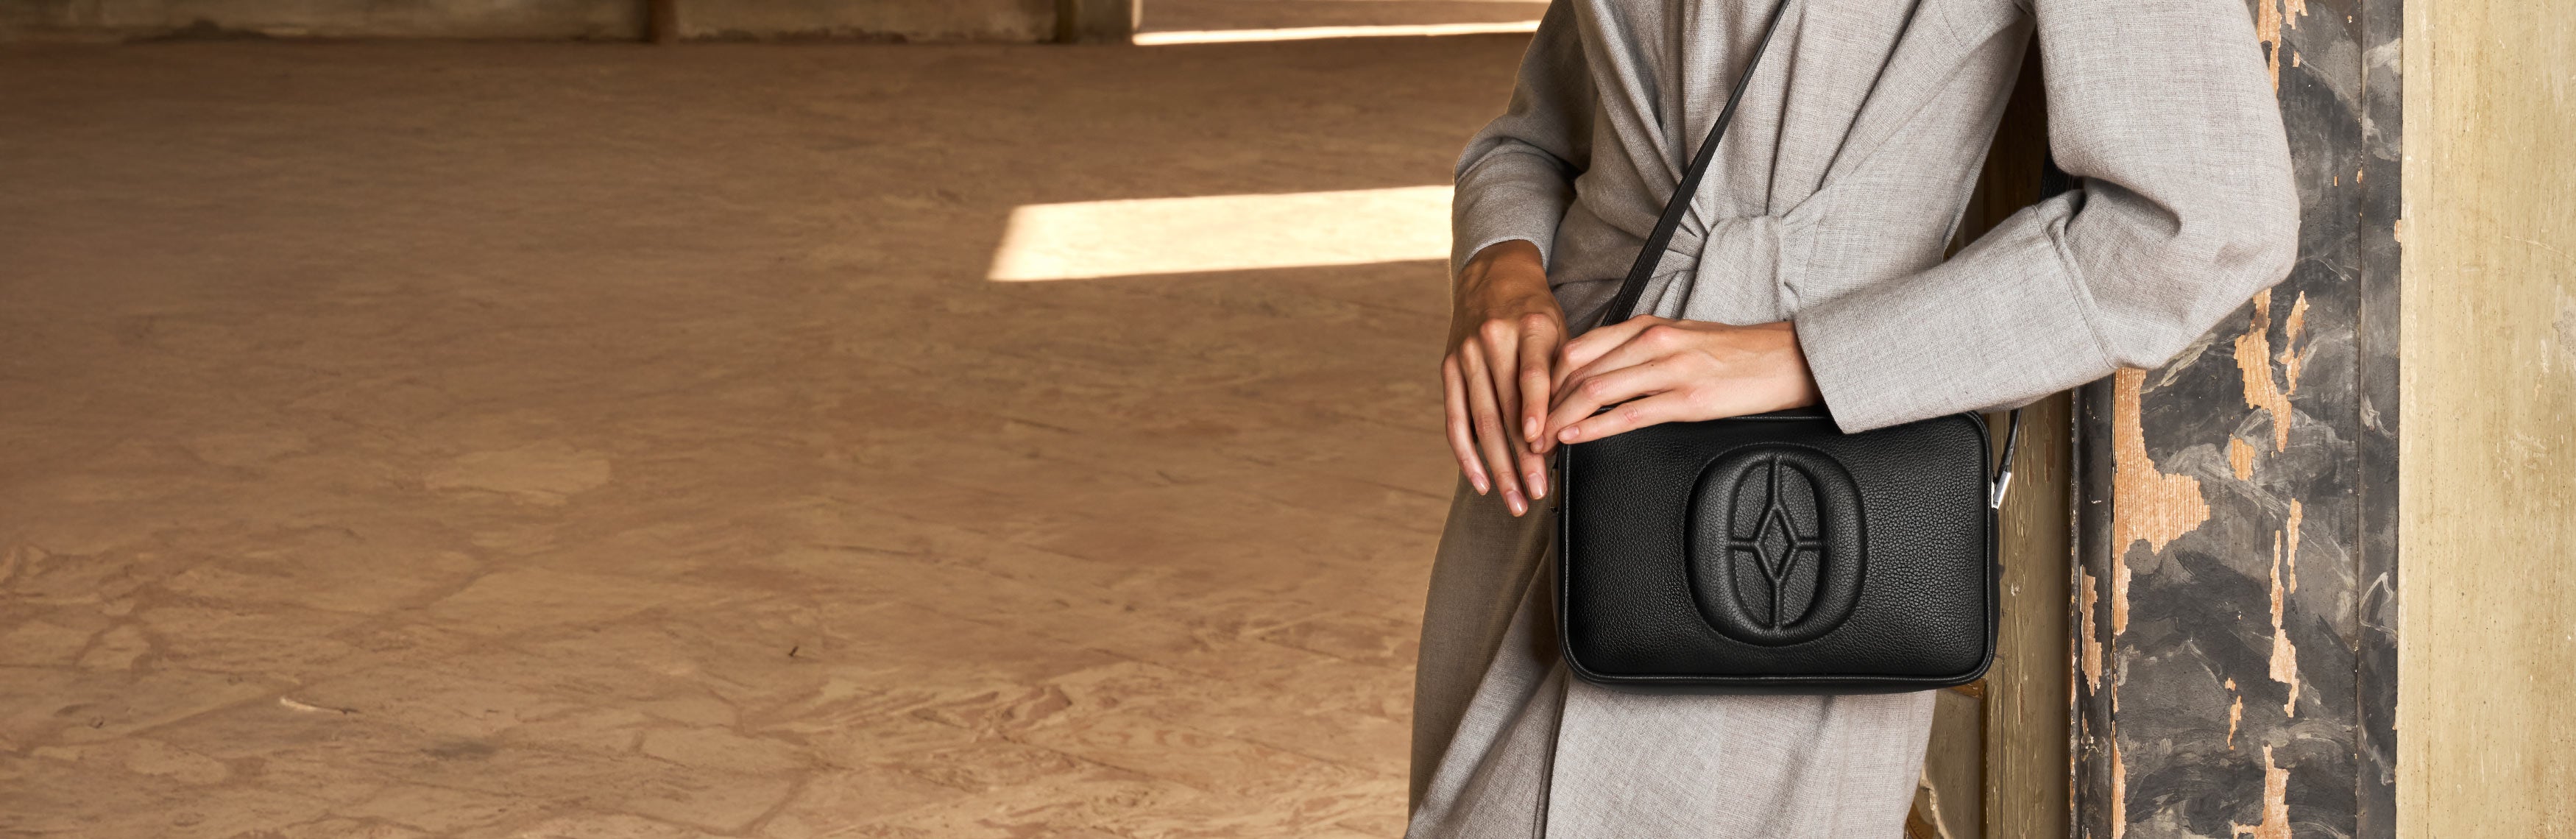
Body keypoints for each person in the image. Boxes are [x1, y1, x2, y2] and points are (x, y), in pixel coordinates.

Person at [1414, 0, 2298, 834]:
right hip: (1545, 432)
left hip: (1791, 490)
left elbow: (2207, 220)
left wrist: (1805, 356)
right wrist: (1497, 264)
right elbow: (1541, 133)